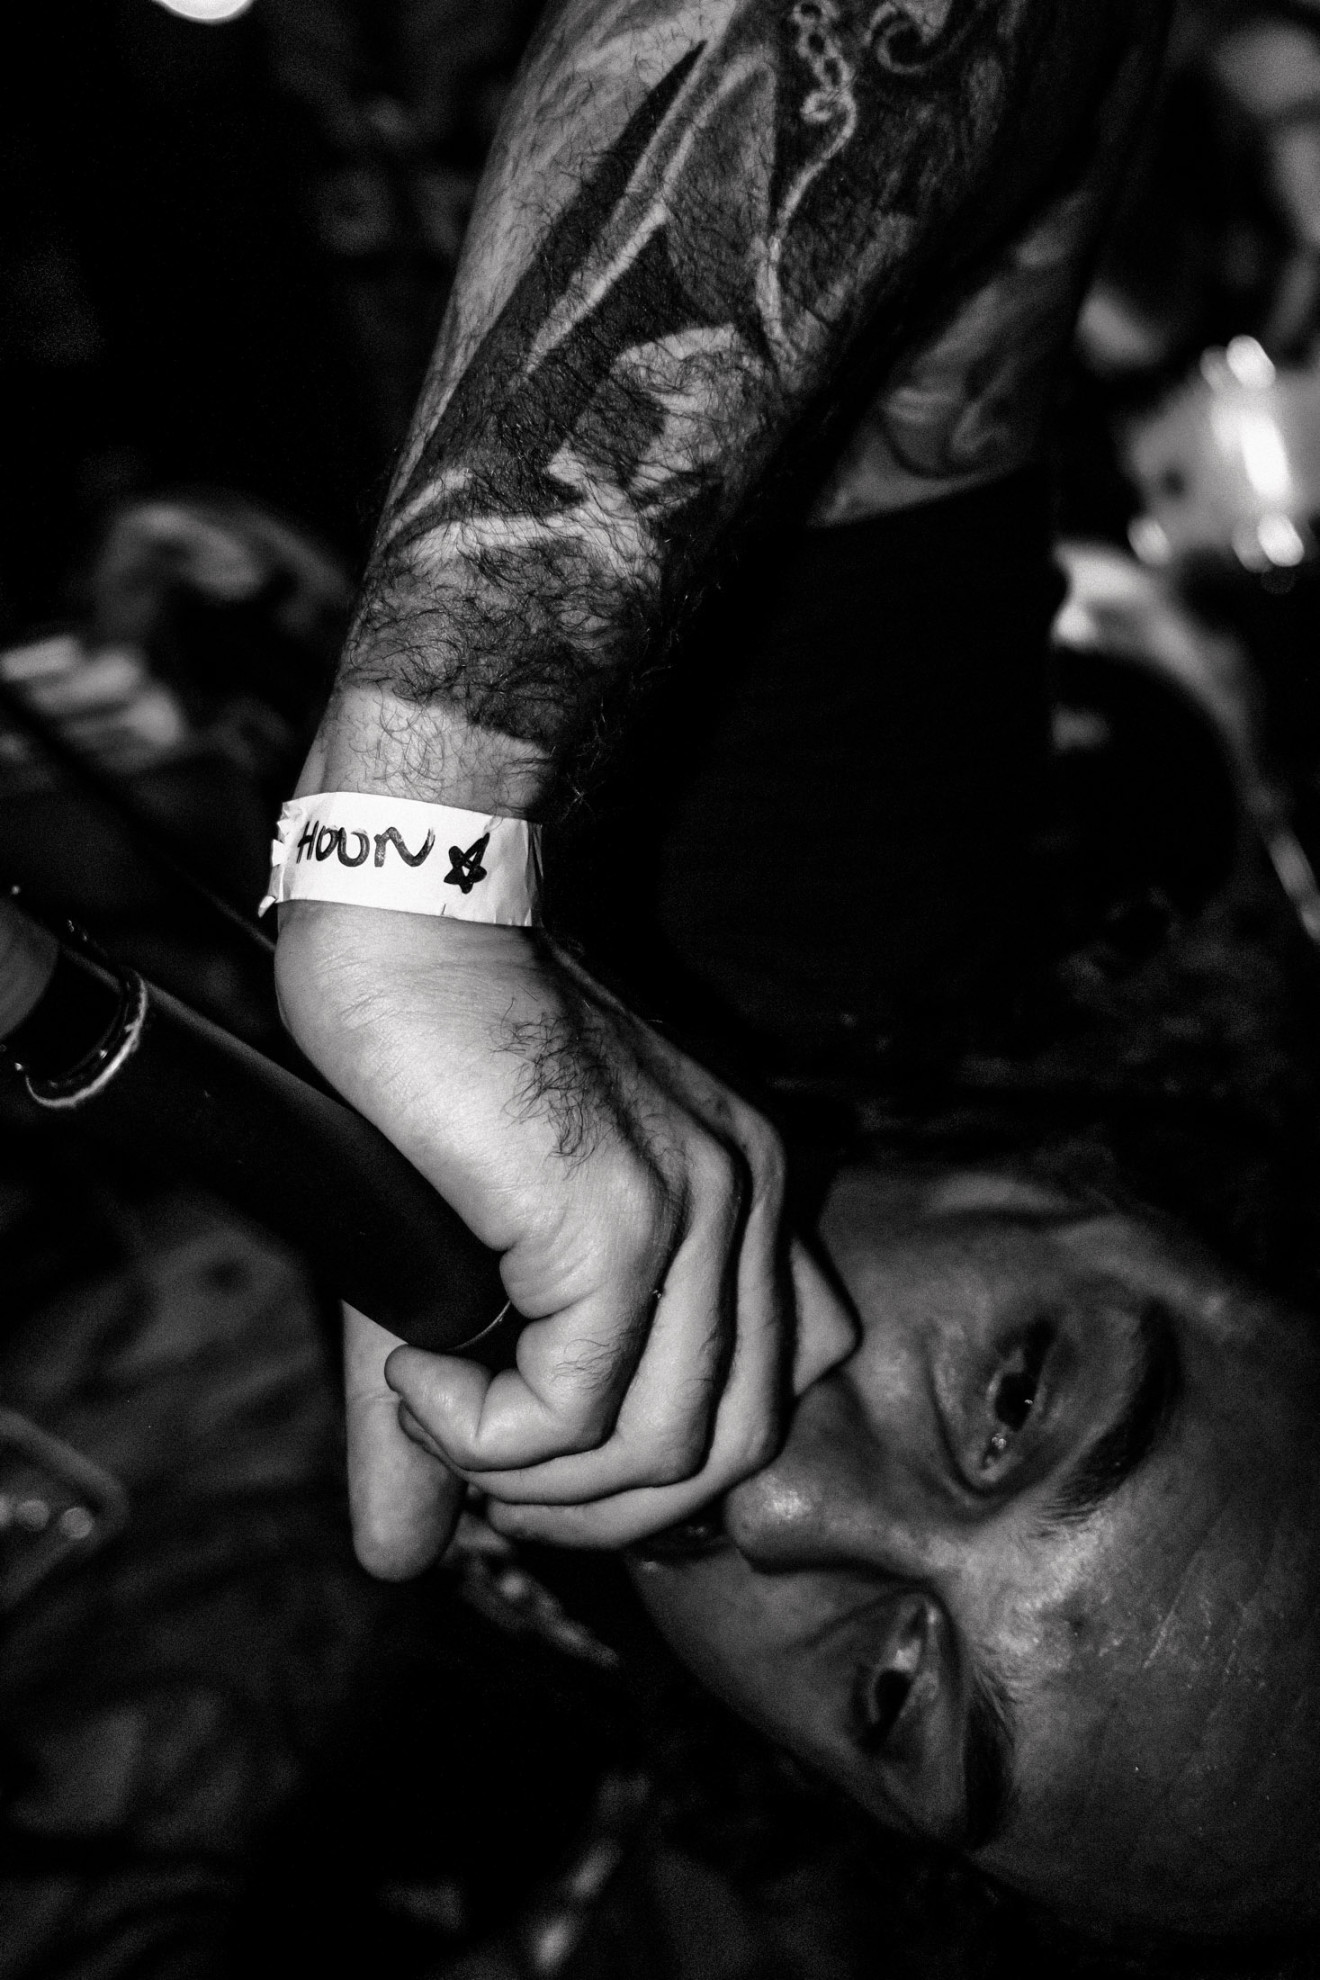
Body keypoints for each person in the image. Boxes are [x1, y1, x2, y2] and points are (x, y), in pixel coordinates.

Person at [273, 0, 1173, 1567]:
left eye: (896, 1684)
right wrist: (414, 862)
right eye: (1021, 1401)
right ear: (1105, 1207)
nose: (813, 1512)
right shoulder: (852, 882)